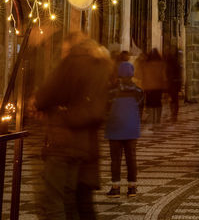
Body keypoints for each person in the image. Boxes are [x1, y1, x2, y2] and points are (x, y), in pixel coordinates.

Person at [34, 33, 112, 220]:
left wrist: (60, 112)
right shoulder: (101, 65)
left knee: (53, 201)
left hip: (63, 141)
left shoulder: (74, 61)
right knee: (72, 200)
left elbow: (45, 95)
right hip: (85, 145)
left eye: (64, 49)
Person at [104, 61, 144, 198]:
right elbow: (140, 110)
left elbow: (106, 109)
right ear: (132, 74)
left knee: (115, 159)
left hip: (115, 128)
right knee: (131, 158)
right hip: (132, 129)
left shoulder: (111, 92)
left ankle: (115, 188)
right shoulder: (139, 92)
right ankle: (132, 187)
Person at [141, 47, 166, 128]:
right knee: (158, 103)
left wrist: (144, 85)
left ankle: (151, 119)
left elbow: (144, 76)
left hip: (149, 87)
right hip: (158, 87)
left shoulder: (146, 64)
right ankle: (157, 119)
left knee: (150, 104)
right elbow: (163, 75)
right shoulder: (161, 64)